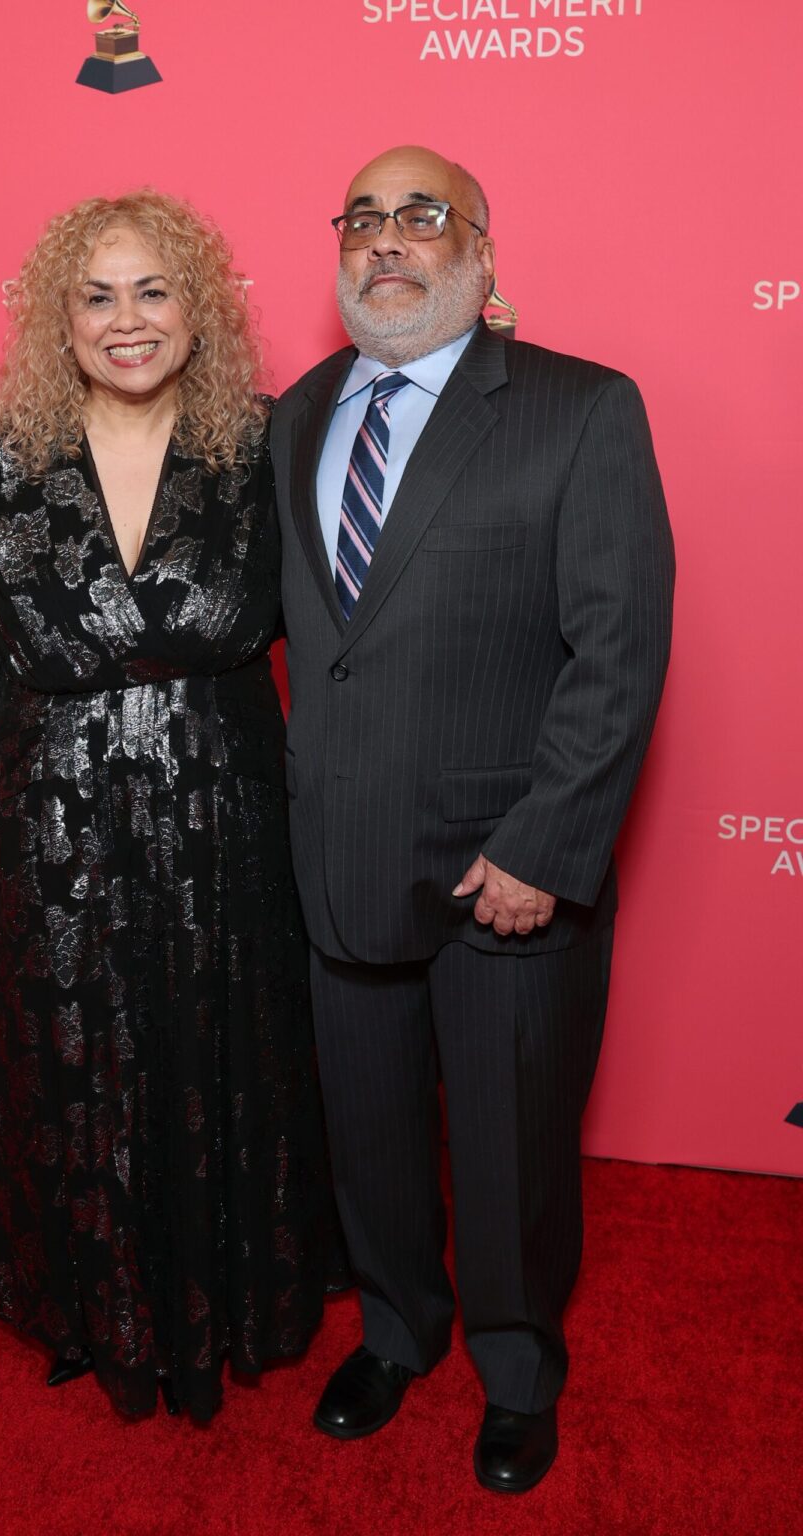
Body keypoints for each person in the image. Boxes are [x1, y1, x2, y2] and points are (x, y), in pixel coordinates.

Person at [0, 190, 342, 1424]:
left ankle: (240, 1296)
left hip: (231, 806)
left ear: (196, 312)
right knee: (75, 1057)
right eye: (97, 295)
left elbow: (354, 616)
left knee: (229, 1048)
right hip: (52, 815)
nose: (126, 319)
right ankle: (99, 1307)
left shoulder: (270, 443)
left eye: (153, 290)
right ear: (60, 319)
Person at [269, 145, 675, 1491]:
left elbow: (617, 653)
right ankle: (398, 1330)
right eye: (365, 217)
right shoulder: (299, 411)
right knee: (369, 1129)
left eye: (423, 215)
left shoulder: (580, 407)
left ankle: (515, 1366)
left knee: (509, 1150)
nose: (389, 240)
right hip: (341, 856)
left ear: (483, 254)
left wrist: (546, 849)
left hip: (506, 871)